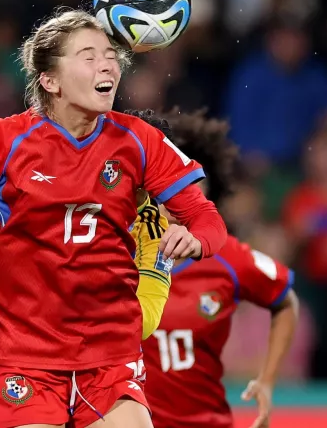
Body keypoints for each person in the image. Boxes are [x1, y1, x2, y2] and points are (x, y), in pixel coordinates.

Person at [0, 9, 228, 428]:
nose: (107, 65)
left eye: (109, 55)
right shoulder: (7, 141)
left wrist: (197, 240)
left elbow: (207, 220)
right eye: (88, 56)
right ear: (50, 80)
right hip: (18, 353)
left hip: (108, 356)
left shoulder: (140, 144)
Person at [0, 187, 171, 428]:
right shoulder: (42, 172)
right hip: (5, 359)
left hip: (96, 366)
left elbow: (145, 320)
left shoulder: (151, 228)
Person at [127, 109, 299, 428]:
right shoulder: (112, 251)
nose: (175, 196)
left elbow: (286, 300)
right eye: (167, 185)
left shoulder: (227, 258)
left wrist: (267, 380)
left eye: (189, 186)